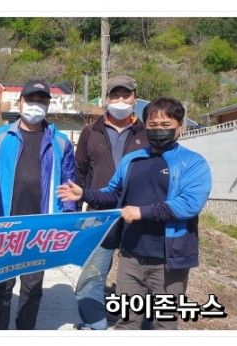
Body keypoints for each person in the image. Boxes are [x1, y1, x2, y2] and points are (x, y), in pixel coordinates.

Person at [58, 97, 212, 330]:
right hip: (131, 255)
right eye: (152, 125)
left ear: (180, 126)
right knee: (127, 320)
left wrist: (142, 212)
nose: (158, 130)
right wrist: (84, 194)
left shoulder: (193, 163)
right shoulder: (133, 159)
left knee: (164, 322)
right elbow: (113, 194)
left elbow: (189, 204)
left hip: (169, 258)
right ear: (145, 125)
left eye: (165, 125)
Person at [0, 80, 76, 330]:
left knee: (33, 287)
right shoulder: (0, 137)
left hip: (41, 228)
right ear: (20, 102)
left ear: (48, 105)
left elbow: (69, 185)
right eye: (31, 100)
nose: (36, 105)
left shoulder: (61, 142)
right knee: (2, 286)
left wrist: (66, 225)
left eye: (42, 101)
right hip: (5, 225)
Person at [72, 75, 148, 330]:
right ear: (106, 100)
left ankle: (136, 327)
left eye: (125, 95)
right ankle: (95, 326)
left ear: (135, 98)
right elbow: (79, 173)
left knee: (138, 280)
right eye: (114, 96)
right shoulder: (90, 132)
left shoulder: (147, 133)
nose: (120, 101)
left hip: (137, 218)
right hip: (99, 216)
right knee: (90, 278)